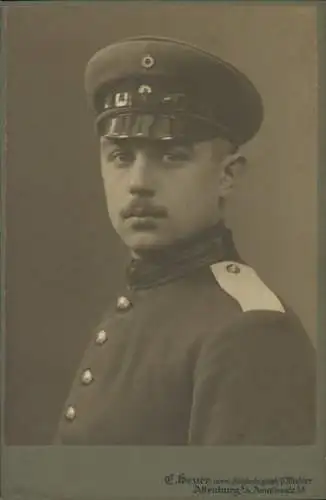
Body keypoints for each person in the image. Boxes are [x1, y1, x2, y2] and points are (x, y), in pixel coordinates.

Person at [54, 36, 316, 445]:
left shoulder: (251, 330)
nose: (138, 183)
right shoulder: (141, 303)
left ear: (227, 175)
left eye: (172, 155)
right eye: (121, 157)